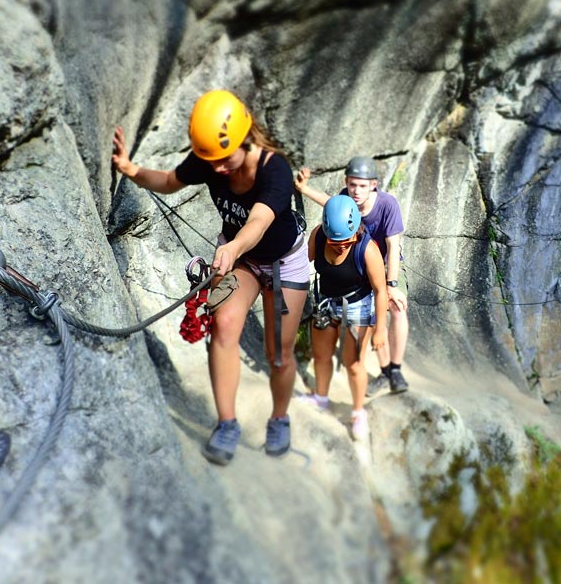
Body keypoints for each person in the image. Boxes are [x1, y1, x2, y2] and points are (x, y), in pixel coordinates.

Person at [112, 90, 309, 465]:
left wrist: (233, 247)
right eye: (211, 162)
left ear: (245, 139)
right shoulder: (210, 157)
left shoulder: (275, 169)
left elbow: (259, 220)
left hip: (284, 261)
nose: (217, 170)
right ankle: (227, 423)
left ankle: (280, 417)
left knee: (278, 354)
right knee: (223, 328)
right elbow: (170, 181)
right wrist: (130, 169)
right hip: (243, 259)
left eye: (224, 160)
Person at [295, 156, 409, 395]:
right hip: (356, 267)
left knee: (396, 307)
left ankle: (394, 369)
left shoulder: (387, 204)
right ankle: (385, 370)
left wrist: (392, 284)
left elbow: (393, 244)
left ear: (373, 185)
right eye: (352, 184)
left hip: (387, 266)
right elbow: (330, 203)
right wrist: (304, 189)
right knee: (371, 313)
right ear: (346, 182)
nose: (356, 191)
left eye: (362, 185)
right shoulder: (345, 199)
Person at [300, 195, 388, 440]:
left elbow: (380, 290)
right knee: (321, 354)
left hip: (358, 306)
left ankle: (358, 412)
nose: (340, 245)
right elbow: (300, 261)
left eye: (346, 240)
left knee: (354, 363)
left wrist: (380, 328)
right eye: (335, 240)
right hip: (326, 300)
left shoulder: (367, 250)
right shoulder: (318, 236)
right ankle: (320, 397)